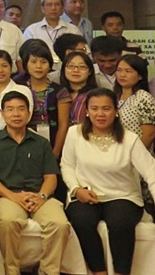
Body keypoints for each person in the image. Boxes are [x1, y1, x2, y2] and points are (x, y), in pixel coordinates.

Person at [61, 88, 155, 275]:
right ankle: (99, 271)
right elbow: (67, 166)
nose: (100, 114)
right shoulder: (74, 134)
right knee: (82, 221)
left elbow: (151, 172)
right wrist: (76, 189)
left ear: (116, 111)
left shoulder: (130, 139)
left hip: (123, 195)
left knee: (119, 223)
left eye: (106, 108)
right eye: (94, 108)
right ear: (86, 111)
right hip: (85, 193)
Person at [0, 91, 70, 275]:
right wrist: (13, 196)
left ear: (29, 114)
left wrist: (42, 196)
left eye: (21, 109)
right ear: (3, 113)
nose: (16, 114)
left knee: (60, 224)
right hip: (9, 196)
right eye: (10, 109)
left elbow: (51, 177)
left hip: (40, 196)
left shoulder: (41, 142)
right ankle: (11, 270)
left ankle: (48, 271)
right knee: (8, 222)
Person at [14, 44, 71, 159]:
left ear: (50, 65)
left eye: (43, 62)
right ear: (26, 64)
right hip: (22, 144)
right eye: (33, 62)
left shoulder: (60, 91)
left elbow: (63, 124)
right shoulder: (18, 89)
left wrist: (55, 153)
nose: (38, 66)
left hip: (53, 142)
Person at [114, 55, 155, 213]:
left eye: (128, 71)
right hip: (117, 157)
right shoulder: (115, 97)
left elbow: (149, 134)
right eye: (119, 70)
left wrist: (132, 157)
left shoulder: (143, 98)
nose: (122, 75)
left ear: (139, 76)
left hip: (139, 158)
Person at [24, 0, 81, 65]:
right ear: (42, 8)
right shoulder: (32, 30)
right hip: (40, 71)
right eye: (49, 5)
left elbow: (82, 53)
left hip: (67, 70)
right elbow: (26, 55)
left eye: (57, 4)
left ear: (62, 8)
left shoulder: (73, 30)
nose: (53, 8)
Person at [61, 51, 98, 126]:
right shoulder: (58, 94)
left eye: (82, 67)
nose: (76, 70)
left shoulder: (95, 96)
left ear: (90, 71)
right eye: (71, 66)